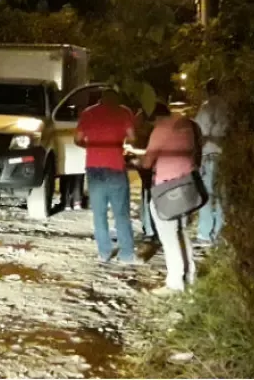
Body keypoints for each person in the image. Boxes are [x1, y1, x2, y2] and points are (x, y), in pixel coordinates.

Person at [75, 88, 139, 264]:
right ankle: (126, 254)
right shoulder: (124, 112)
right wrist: (121, 145)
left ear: (100, 99)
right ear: (116, 99)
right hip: (116, 167)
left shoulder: (88, 113)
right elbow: (133, 138)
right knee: (121, 213)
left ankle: (104, 253)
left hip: (94, 168)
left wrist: (92, 147)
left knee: (99, 214)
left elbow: (77, 139)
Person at [139, 112, 200, 295]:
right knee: (181, 231)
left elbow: (147, 162)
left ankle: (175, 283)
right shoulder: (189, 125)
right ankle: (190, 274)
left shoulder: (161, 130)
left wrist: (138, 160)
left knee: (168, 235)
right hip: (187, 183)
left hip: (167, 188)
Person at [193, 78, 229, 246]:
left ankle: (205, 232)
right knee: (223, 195)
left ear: (208, 90)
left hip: (209, 155)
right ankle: (220, 231)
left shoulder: (206, 107)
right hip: (226, 155)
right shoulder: (229, 108)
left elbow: (198, 132)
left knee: (206, 194)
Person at [132, 102, 171, 243]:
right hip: (167, 171)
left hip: (150, 166)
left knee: (148, 196)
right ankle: (157, 229)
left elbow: (140, 146)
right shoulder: (174, 129)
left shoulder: (149, 125)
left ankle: (150, 230)